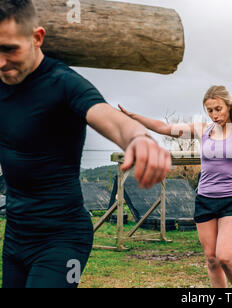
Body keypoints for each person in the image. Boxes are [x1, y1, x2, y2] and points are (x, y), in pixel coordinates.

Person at [0, 0, 171, 288]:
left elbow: (108, 116)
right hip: (15, 235)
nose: (1, 62)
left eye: (9, 49)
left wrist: (139, 139)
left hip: (64, 240)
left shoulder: (64, 83)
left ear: (37, 37)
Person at [118, 72, 232, 288]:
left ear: (229, 106)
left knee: (225, 256)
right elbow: (164, 128)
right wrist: (133, 116)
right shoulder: (203, 130)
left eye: (218, 109)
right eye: (210, 110)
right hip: (205, 200)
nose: (214, 115)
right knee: (212, 260)